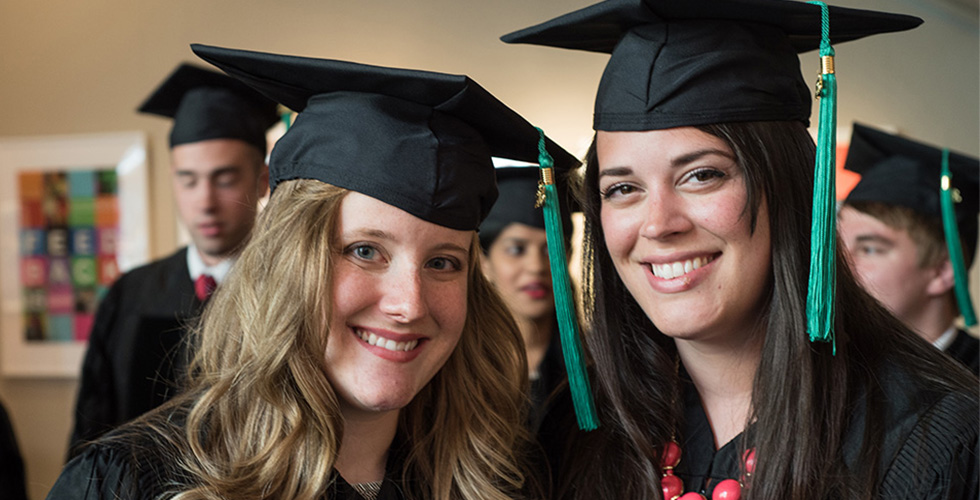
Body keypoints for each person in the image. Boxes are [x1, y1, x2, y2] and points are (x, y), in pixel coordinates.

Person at [46, 44, 580, 500]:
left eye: (442, 262)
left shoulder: (504, 478)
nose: (409, 304)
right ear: (287, 260)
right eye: (365, 251)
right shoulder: (127, 483)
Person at [502, 0, 978, 498]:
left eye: (702, 175)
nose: (658, 224)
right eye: (623, 188)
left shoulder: (934, 443)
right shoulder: (577, 434)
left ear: (789, 188)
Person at [68, 64, 278, 458]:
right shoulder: (131, 294)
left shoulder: (288, 291)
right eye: (188, 179)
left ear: (263, 179)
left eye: (224, 178)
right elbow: (91, 433)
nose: (205, 201)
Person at [838, 123, 979, 374]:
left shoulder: (972, 385)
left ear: (943, 270)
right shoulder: (834, 374)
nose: (841, 264)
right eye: (838, 245)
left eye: (869, 249)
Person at [479, 166, 574, 431]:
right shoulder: (457, 370)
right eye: (516, 249)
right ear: (483, 261)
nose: (536, 267)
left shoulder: (599, 371)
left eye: (551, 249)